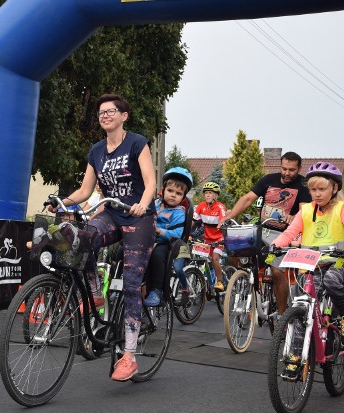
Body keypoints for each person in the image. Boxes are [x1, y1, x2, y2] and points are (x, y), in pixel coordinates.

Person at [47, 93, 156, 382]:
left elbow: (150, 182)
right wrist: (62, 202)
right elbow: (85, 191)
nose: (104, 116)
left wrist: (144, 203)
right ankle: (95, 292)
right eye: (101, 113)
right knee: (78, 240)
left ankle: (129, 356)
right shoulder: (96, 150)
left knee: (132, 285)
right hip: (110, 213)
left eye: (110, 111)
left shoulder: (137, 143)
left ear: (124, 116)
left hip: (138, 217)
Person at [271, 162, 344, 353]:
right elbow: (289, 234)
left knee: (331, 280)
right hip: (314, 264)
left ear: (335, 188)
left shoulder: (342, 209)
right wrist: (274, 245)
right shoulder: (306, 210)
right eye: (313, 189)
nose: (317, 193)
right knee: (301, 303)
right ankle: (295, 357)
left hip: (342, 262)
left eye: (322, 189)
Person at [223, 151, 311, 316]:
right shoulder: (268, 180)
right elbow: (248, 199)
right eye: (284, 168)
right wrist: (228, 217)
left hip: (285, 236)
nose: (286, 173)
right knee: (235, 249)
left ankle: (282, 315)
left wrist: (295, 218)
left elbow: (304, 211)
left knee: (277, 272)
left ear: (299, 168)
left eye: (291, 170)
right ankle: (246, 282)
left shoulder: (304, 185)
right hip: (262, 230)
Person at [144, 167, 193, 307]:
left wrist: (159, 231)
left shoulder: (178, 212)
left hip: (167, 243)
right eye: (170, 191)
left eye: (178, 193)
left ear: (183, 197)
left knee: (157, 256)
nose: (173, 195)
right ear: (163, 190)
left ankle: (157, 290)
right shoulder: (156, 205)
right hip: (149, 239)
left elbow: (177, 234)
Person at [192, 181, 227, 291]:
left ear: (216, 195)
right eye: (206, 193)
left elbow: (223, 219)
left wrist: (221, 223)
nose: (207, 195)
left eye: (210, 193)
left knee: (215, 258)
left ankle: (220, 282)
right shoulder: (201, 206)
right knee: (202, 260)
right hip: (207, 239)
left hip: (219, 239)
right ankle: (207, 283)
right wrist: (187, 233)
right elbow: (193, 221)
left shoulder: (220, 207)